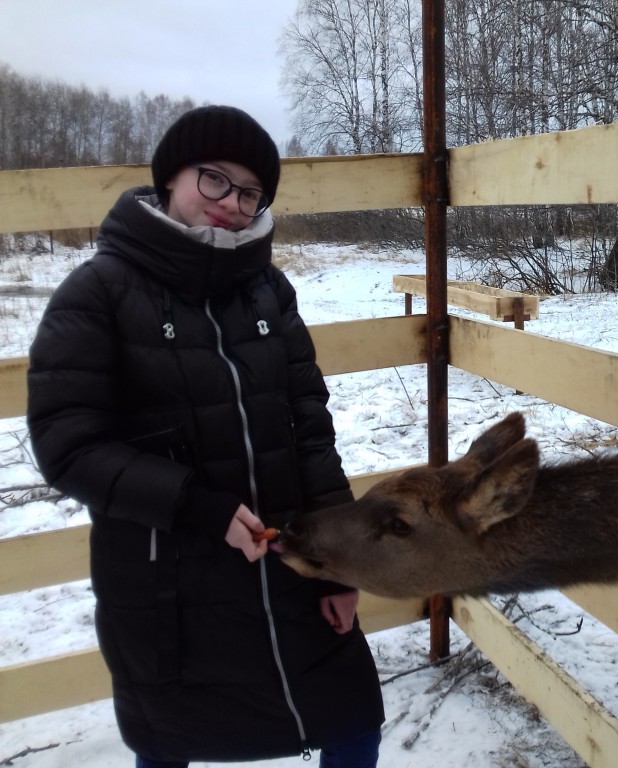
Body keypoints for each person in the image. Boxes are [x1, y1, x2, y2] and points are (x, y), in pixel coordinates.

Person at [26, 105, 385, 767]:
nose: (231, 203)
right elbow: (66, 444)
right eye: (214, 178)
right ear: (171, 176)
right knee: (170, 741)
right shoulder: (98, 293)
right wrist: (197, 505)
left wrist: (340, 564)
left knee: (353, 720)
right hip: (167, 586)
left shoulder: (270, 292)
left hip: (290, 562)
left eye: (250, 192)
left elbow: (309, 427)